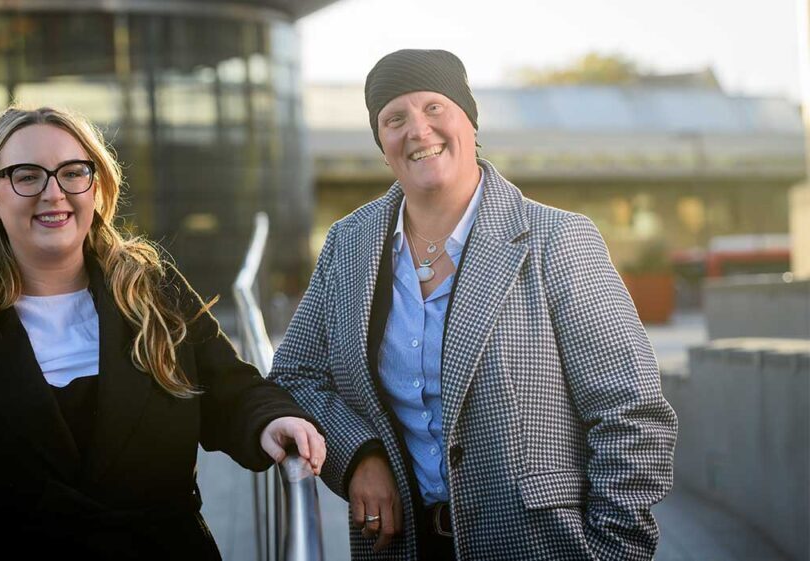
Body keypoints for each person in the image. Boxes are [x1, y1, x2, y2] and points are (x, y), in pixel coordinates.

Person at [270, 49, 677, 560]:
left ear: (469, 120)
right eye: (394, 119)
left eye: (435, 108)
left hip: (541, 546)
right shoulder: (348, 244)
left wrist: (613, 551)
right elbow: (294, 375)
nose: (417, 130)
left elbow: (631, 413)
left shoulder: (558, 239)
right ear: (383, 145)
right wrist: (359, 455)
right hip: (402, 547)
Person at [0, 106, 326, 560]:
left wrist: (273, 419)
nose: (54, 193)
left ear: (96, 187)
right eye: (27, 176)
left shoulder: (153, 294)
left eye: (72, 173)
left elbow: (233, 389)